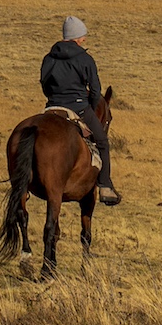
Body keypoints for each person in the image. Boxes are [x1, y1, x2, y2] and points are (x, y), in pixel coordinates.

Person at [40, 16, 119, 205]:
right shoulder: (85, 59)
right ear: (76, 37)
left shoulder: (49, 57)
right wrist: (89, 108)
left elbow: (44, 84)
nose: (84, 40)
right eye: (82, 36)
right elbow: (96, 91)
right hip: (78, 107)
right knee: (102, 141)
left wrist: (54, 99)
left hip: (52, 107)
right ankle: (105, 186)